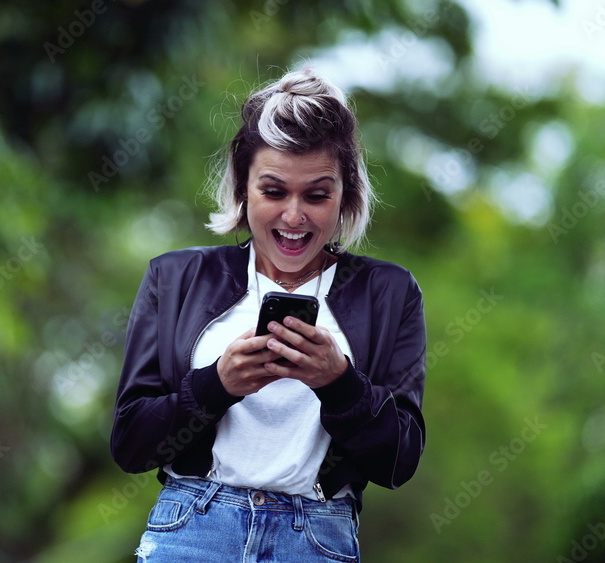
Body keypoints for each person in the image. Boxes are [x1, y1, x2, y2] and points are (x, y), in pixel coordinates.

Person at [110, 66, 427, 562]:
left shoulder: (390, 292)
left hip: (317, 536)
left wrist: (339, 383)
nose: (295, 216)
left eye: (317, 195)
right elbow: (131, 443)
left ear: (346, 195)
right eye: (274, 191)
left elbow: (398, 461)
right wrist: (217, 383)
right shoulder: (175, 278)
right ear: (242, 188)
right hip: (192, 528)